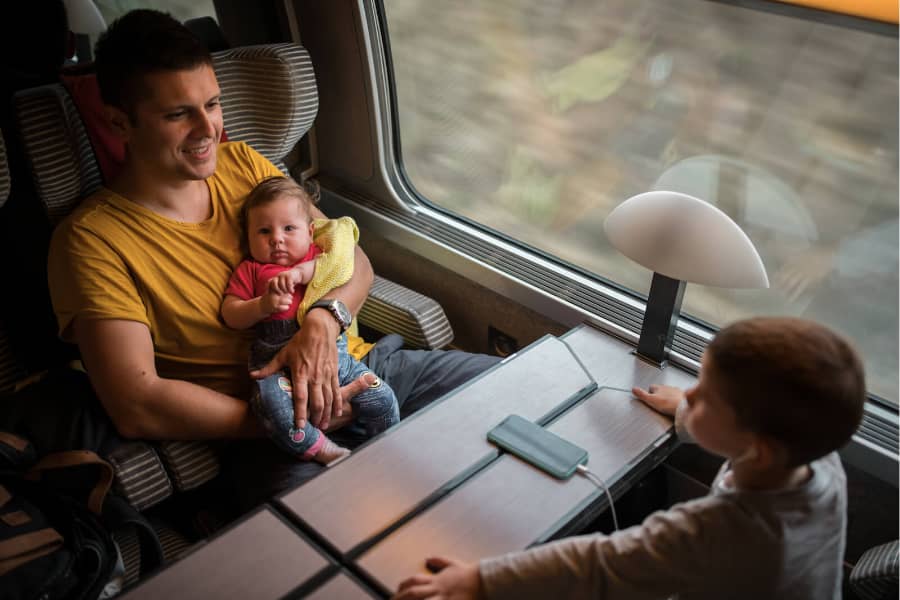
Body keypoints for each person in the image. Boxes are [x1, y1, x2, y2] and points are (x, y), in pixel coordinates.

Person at [47, 9, 500, 509]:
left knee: (515, 399)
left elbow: (355, 261)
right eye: (178, 114)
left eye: (213, 104)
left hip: (368, 366)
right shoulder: (92, 241)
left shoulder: (243, 163)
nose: (207, 129)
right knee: (345, 552)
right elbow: (137, 403)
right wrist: (298, 416)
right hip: (267, 424)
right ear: (119, 122)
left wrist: (325, 323)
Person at [393, 317, 865, 600]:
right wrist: (688, 410)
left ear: (759, 446)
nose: (690, 391)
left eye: (706, 397)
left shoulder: (725, 533)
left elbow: (602, 563)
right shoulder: (818, 461)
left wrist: (482, 580)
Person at [221, 176, 399, 464]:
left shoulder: (318, 259)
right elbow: (231, 313)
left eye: (289, 228)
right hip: (276, 367)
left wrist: (300, 273)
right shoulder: (252, 271)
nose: (276, 238)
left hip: (336, 357)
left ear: (310, 231)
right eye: (264, 231)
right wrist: (261, 305)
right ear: (248, 238)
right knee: (272, 409)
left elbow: (341, 266)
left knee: (382, 397)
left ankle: (384, 441)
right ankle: (322, 448)